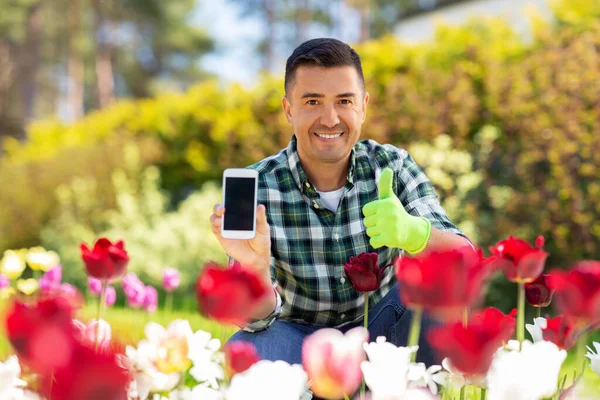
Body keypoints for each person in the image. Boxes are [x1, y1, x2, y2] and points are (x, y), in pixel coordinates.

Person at [209, 38, 471, 367]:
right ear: (289, 110)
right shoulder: (258, 186)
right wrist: (255, 270)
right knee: (248, 351)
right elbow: (253, 320)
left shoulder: (393, 166)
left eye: (344, 101)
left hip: (381, 336)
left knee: (437, 297)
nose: (330, 119)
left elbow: (466, 260)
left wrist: (414, 233)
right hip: (295, 342)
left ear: (363, 106)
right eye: (313, 102)